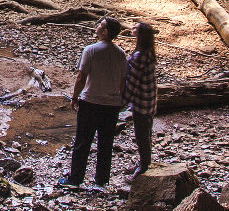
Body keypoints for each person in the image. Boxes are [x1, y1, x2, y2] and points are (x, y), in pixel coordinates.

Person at [60, 17, 128, 188]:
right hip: (111, 105)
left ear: (105, 32)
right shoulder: (120, 53)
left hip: (90, 102)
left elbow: (81, 77)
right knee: (106, 143)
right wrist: (121, 100)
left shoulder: (90, 50)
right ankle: (102, 179)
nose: (97, 26)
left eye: (101, 25)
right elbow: (122, 81)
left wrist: (75, 97)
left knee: (83, 141)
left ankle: (75, 178)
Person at [123, 21, 158, 175]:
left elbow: (133, 81)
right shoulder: (149, 51)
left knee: (141, 135)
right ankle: (144, 161)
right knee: (147, 133)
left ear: (141, 34)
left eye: (136, 27)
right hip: (150, 99)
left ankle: (143, 167)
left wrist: (122, 102)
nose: (132, 28)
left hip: (141, 102)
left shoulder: (140, 55)